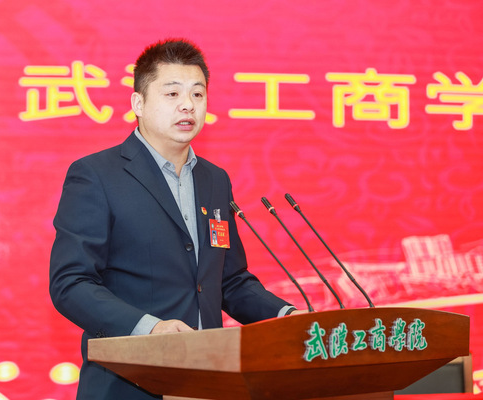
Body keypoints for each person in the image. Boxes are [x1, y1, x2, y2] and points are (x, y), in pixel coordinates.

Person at [49, 38, 300, 400]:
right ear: (138, 103)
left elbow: (228, 281)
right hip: (127, 384)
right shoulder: (96, 175)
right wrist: (150, 329)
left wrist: (285, 318)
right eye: (172, 94)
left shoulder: (215, 180)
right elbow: (71, 283)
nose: (188, 105)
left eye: (198, 94)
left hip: (208, 383)